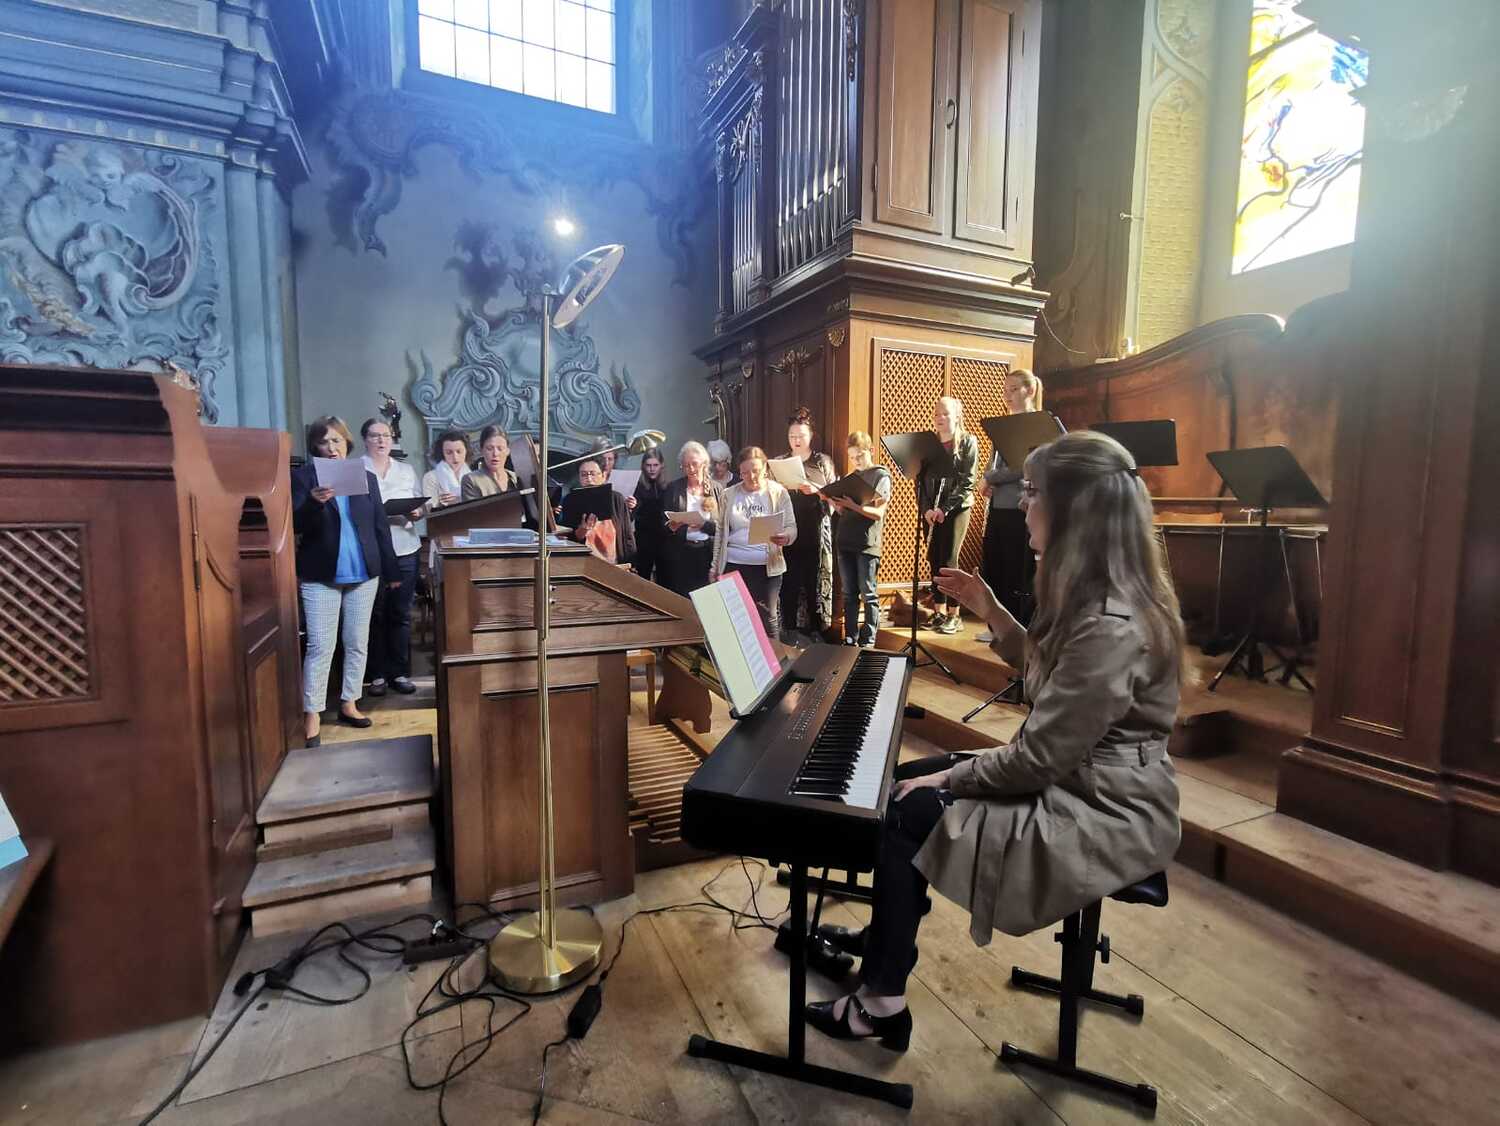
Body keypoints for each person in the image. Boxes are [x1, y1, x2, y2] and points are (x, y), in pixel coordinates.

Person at [803, 430, 1186, 1051]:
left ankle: (881, 1002)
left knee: (909, 808)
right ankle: (882, 947)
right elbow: (1047, 679)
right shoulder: (1096, 597)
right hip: (1077, 776)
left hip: (1105, 807)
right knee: (905, 782)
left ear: (1075, 509)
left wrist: (950, 778)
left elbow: (1038, 760)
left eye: (1032, 491)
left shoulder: (1111, 624)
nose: (1021, 503)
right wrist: (991, 609)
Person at [292, 416, 401, 746]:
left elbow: (380, 526)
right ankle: (312, 714)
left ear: (347, 444)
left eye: (337, 440)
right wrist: (314, 502)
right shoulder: (302, 477)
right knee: (320, 646)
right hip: (321, 575)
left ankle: (349, 703)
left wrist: (392, 571)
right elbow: (294, 524)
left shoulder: (365, 477)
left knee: (357, 641)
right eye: (324, 441)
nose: (332, 447)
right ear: (315, 446)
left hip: (364, 573)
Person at [976, 370, 1044, 640]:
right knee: (996, 566)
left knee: (1018, 569)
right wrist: (986, 480)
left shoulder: (1036, 423)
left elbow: (1023, 466)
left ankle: (1016, 629)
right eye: (1005, 390)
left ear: (1030, 391)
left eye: (1013, 389)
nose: (1007, 395)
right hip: (998, 506)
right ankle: (997, 627)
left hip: (1020, 506)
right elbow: (992, 463)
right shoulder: (1003, 425)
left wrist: (990, 478)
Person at [361, 418, 425, 697]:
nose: (381, 440)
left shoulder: (405, 470)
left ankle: (399, 672)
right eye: (375, 435)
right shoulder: (357, 469)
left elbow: (420, 508)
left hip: (405, 547)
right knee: (374, 614)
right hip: (372, 551)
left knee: (400, 613)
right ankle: (376, 675)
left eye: (386, 435)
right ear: (365, 439)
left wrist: (416, 512)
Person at [711, 446, 796, 639]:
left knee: (768, 617)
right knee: (736, 619)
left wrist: (786, 536)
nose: (751, 477)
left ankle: (774, 657)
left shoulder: (778, 492)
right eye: (745, 473)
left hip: (767, 566)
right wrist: (715, 566)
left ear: (765, 468)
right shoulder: (728, 495)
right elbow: (720, 532)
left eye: (756, 471)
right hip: (734, 564)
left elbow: (792, 527)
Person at [779, 407, 837, 643]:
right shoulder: (781, 461)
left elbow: (835, 496)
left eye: (801, 436)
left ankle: (816, 630)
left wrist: (816, 490)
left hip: (814, 529)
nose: (796, 440)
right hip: (788, 530)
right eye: (792, 436)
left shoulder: (822, 461)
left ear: (811, 435)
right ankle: (789, 630)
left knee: (813, 582)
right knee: (789, 582)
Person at [922, 396, 979, 635]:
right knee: (934, 558)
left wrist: (944, 509)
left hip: (956, 510)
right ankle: (939, 612)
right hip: (931, 510)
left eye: (945, 414)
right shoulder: (929, 444)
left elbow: (968, 482)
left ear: (957, 416)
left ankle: (955, 615)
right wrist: (926, 508)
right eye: (937, 414)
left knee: (948, 560)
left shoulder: (967, 442)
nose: (940, 418)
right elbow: (920, 480)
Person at [829, 431, 892, 647]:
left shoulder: (881, 476)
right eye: (852, 457)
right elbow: (842, 511)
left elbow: (878, 513)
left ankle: (869, 639)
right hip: (845, 540)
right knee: (849, 593)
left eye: (860, 456)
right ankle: (850, 637)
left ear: (871, 451)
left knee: (868, 593)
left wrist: (853, 506)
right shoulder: (850, 478)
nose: (856, 461)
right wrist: (835, 503)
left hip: (867, 543)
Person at [662, 440, 724, 595]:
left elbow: (724, 526)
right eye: (686, 465)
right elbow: (663, 522)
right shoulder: (674, 488)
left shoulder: (716, 488)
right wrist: (672, 527)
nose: (690, 469)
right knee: (682, 599)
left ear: (704, 463)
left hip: (707, 553)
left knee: (708, 598)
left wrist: (703, 525)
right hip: (681, 554)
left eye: (694, 464)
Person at [563, 459, 636, 565]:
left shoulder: (616, 498)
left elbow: (627, 534)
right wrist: (582, 530)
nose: (589, 479)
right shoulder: (571, 500)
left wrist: (632, 564)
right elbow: (567, 539)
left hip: (614, 563)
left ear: (603, 475)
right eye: (584, 475)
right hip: (584, 564)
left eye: (593, 474)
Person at [632, 447, 669, 583]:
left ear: (661, 465)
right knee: (642, 577)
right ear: (643, 466)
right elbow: (631, 515)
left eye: (655, 465)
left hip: (664, 538)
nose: (652, 469)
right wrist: (632, 506)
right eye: (648, 465)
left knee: (664, 578)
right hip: (643, 539)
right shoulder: (637, 486)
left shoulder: (668, 487)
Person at [461, 426, 520, 500]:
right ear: (481, 451)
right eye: (489, 449)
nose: (495, 453)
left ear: (507, 451)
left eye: (500, 448)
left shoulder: (516, 478)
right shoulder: (471, 480)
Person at [422, 429, 472, 508]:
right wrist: (443, 504)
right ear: (442, 453)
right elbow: (429, 510)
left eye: (459, 451)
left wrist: (460, 499)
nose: (455, 457)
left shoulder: (472, 476)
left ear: (466, 451)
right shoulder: (430, 477)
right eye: (449, 453)